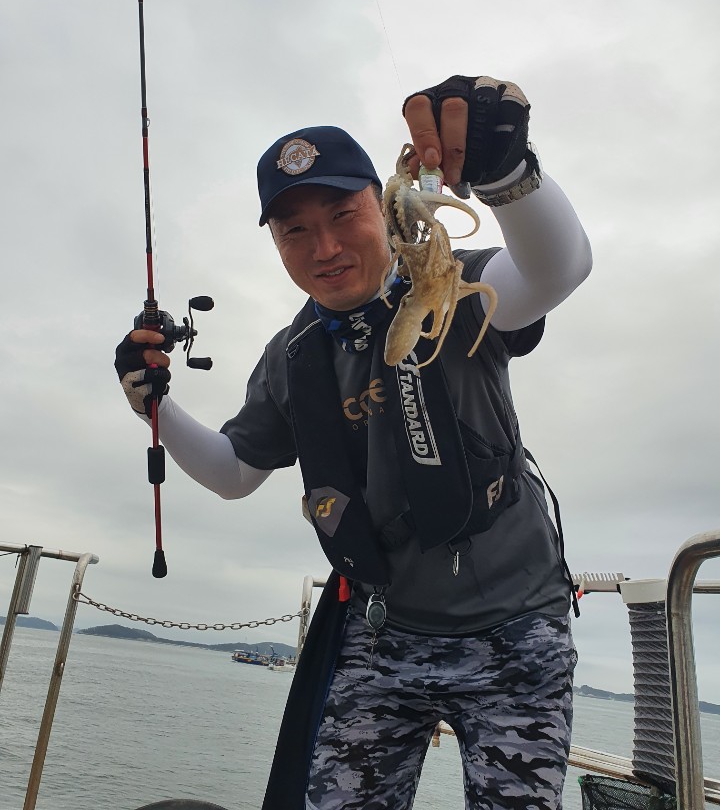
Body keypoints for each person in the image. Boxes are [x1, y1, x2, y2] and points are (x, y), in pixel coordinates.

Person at [116, 74, 593, 810]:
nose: (326, 247)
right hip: (383, 632)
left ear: (382, 204)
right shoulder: (293, 356)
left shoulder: (451, 286)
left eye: (344, 214)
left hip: (516, 623)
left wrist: (507, 174)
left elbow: (557, 269)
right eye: (295, 231)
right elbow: (234, 471)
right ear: (275, 243)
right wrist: (157, 406)